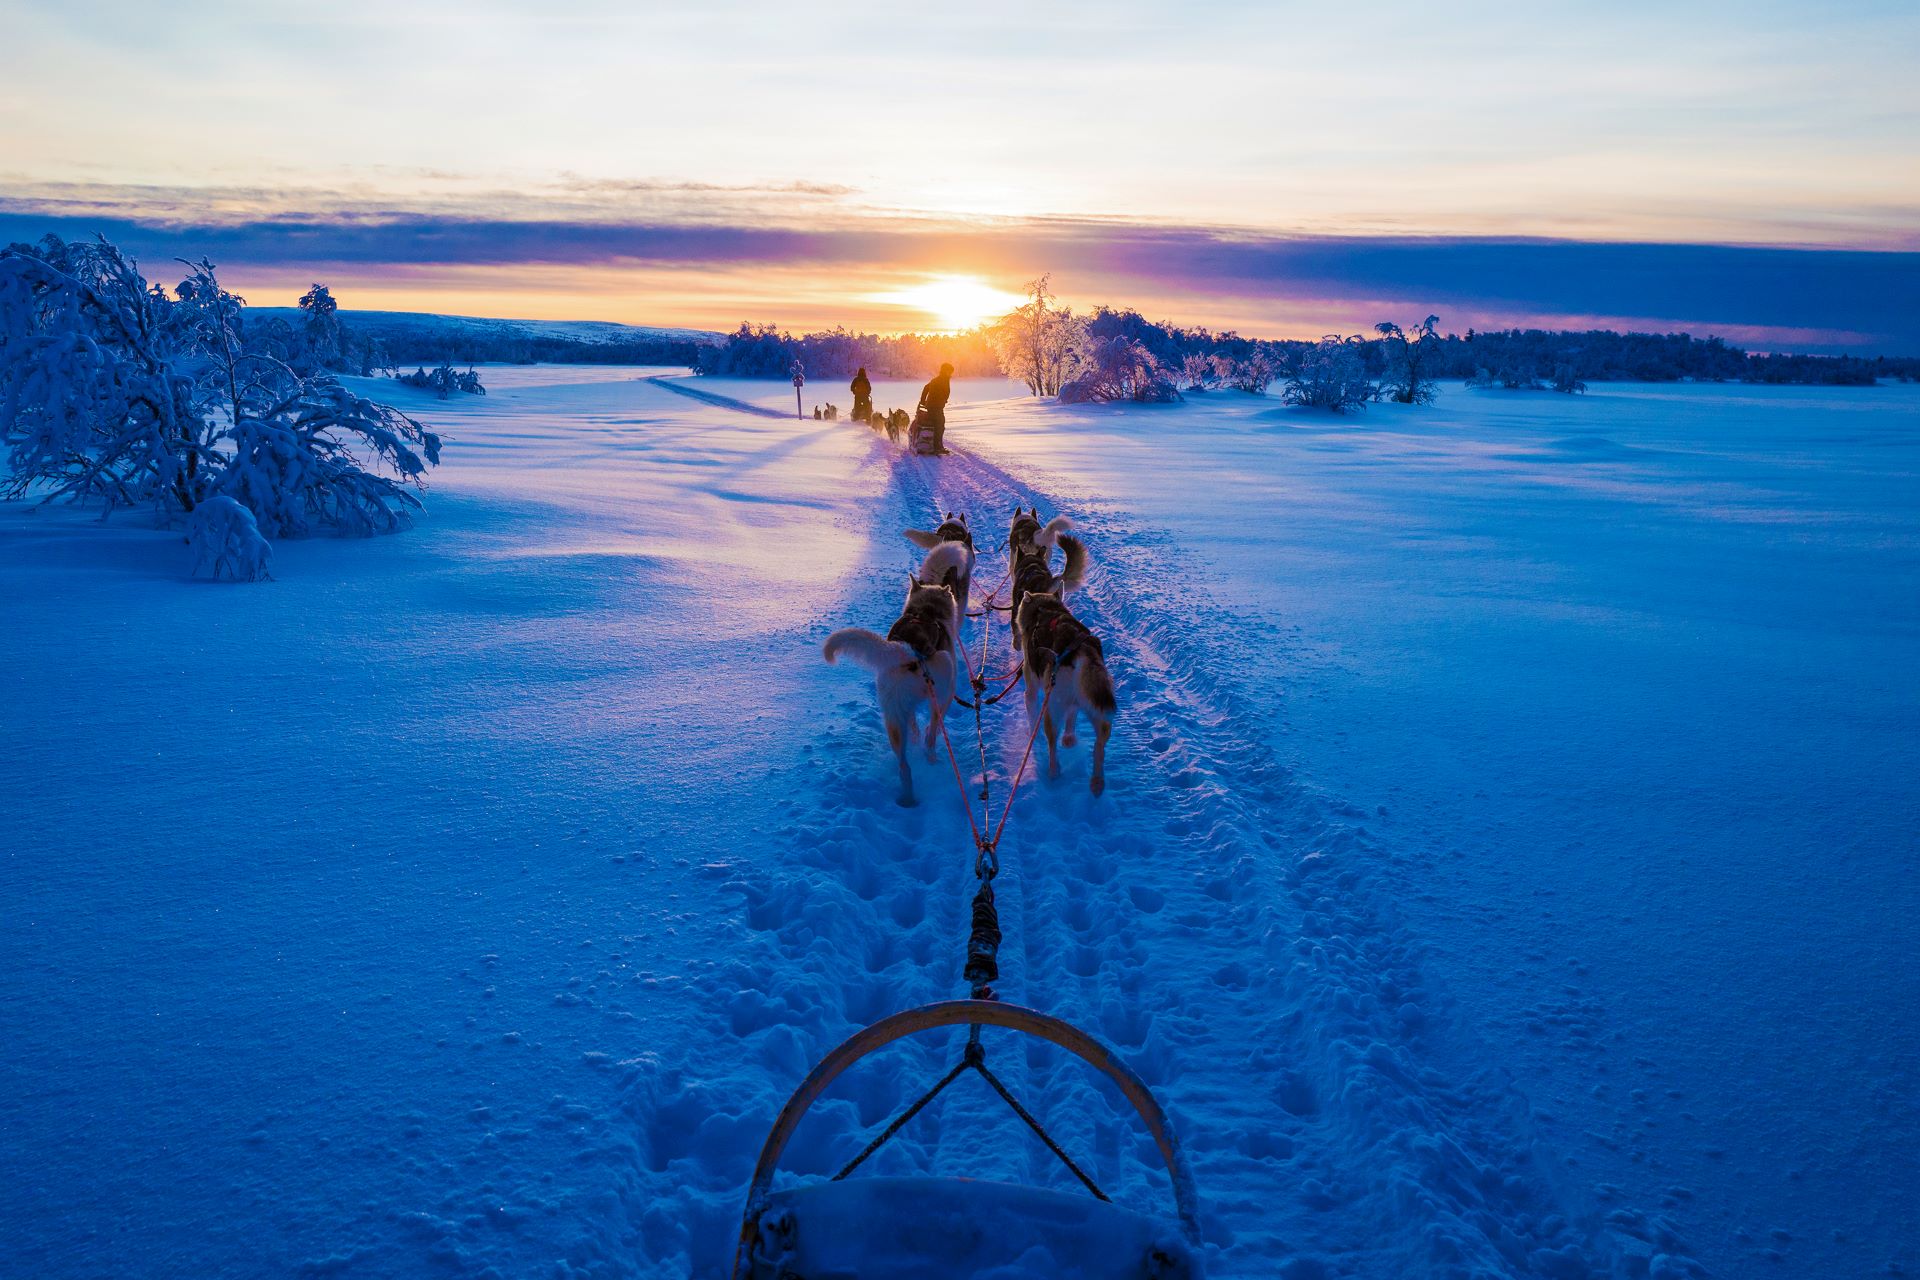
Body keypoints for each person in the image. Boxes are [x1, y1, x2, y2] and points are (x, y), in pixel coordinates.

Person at [917, 362, 954, 454]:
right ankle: (937, 447)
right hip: (935, 406)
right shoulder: (942, 380)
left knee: (938, 424)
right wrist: (942, 400)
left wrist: (923, 401)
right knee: (940, 425)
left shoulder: (937, 379)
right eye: (949, 371)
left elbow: (926, 388)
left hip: (933, 406)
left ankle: (935, 445)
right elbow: (942, 393)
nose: (951, 373)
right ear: (945, 371)